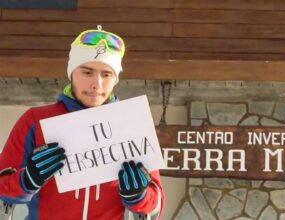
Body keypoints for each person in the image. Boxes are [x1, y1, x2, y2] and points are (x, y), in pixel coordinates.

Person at [0, 25, 164, 220]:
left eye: (106, 74)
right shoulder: (36, 121)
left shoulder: (131, 125)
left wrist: (139, 196)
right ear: (72, 73)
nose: (97, 84)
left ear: (115, 79)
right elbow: (3, 187)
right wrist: (28, 180)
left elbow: (156, 205)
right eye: (87, 73)